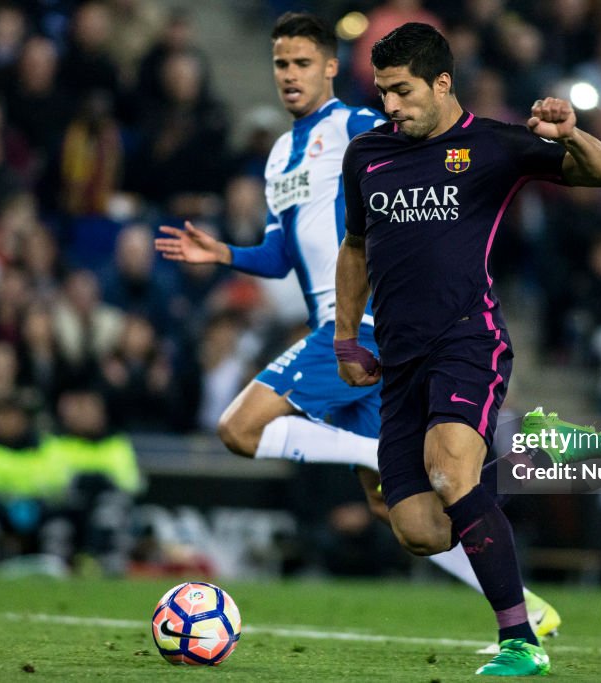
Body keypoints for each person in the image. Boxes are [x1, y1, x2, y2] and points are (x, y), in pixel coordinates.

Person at [154, 13, 561, 637]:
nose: (288, 76)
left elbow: (416, 165)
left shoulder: (363, 125)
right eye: (279, 65)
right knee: (399, 510)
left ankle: (409, 466)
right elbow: (281, 253)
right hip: (337, 323)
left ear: (328, 67)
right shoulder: (278, 157)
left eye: (300, 63)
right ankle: (522, 602)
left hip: (371, 324)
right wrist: (227, 255)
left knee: (239, 429)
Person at [335, 23, 601, 676]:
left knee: (450, 470)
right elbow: (355, 249)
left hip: (467, 339)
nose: (390, 106)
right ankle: (487, 491)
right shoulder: (367, 156)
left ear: (441, 83)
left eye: (402, 91)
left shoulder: (490, 146)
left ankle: (521, 640)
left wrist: (571, 134)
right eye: (382, 92)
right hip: (399, 361)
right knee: (420, 528)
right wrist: (347, 336)